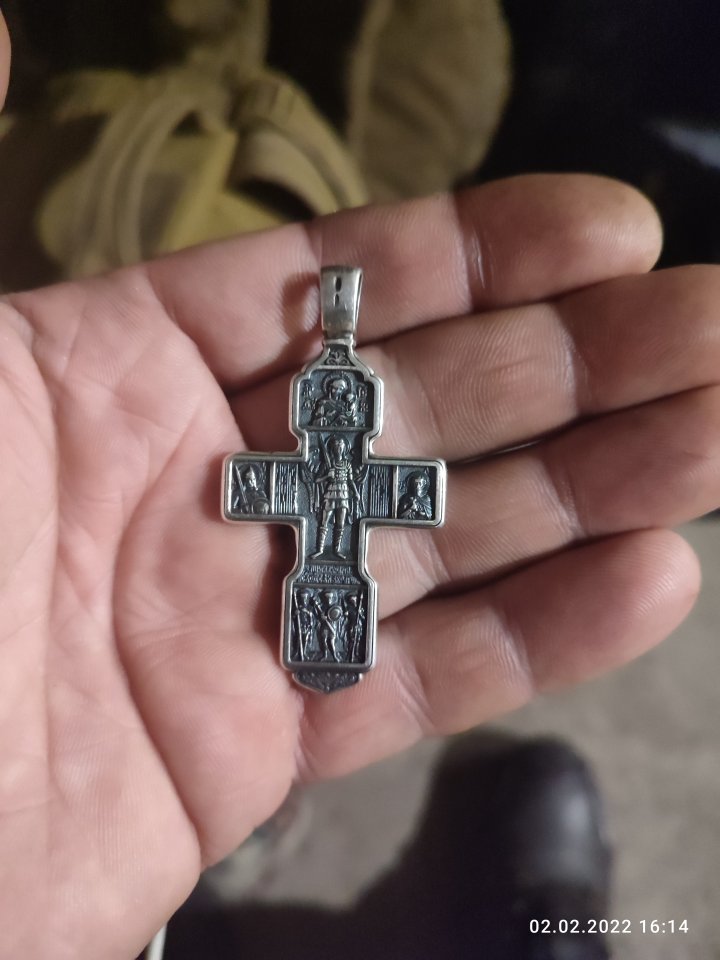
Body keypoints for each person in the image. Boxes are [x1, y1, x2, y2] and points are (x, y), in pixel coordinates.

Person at [0, 19, 716, 958]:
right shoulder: (308, 456)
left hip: (321, 568)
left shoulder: (354, 459)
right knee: (444, 70)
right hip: (306, 575)